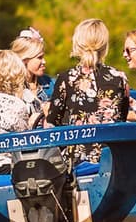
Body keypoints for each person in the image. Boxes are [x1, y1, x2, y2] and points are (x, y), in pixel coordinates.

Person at [46, 18, 130, 165]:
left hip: (77, 161)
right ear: (104, 46)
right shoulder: (120, 78)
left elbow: (53, 122)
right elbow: (121, 118)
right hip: (112, 158)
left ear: (77, 44)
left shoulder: (67, 79)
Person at [10, 26, 54, 123]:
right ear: (25, 59)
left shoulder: (51, 83)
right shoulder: (9, 89)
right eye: (39, 58)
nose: (44, 61)